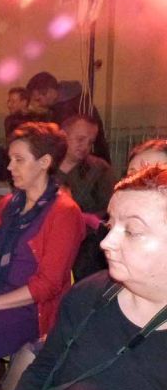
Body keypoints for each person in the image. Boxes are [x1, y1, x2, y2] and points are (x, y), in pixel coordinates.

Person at [0, 165, 167, 390]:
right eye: (110, 224)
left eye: (132, 231)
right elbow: (42, 370)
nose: (106, 242)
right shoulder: (89, 294)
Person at [0, 122, 85, 363]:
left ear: (44, 162)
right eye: (10, 159)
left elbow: (48, 285)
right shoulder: (7, 204)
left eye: (19, 160)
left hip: (29, 310)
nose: (10, 166)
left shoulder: (64, 212)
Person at [57, 115, 115, 281]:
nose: (85, 147)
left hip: (86, 246)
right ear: (63, 135)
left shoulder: (100, 169)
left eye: (90, 142)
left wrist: (81, 218)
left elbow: (110, 210)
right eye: (80, 139)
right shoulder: (45, 166)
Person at [26, 71, 110, 163]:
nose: (39, 104)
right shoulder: (76, 100)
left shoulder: (64, 109)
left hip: (83, 162)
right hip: (93, 159)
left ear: (50, 92)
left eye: (38, 99)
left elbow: (57, 141)